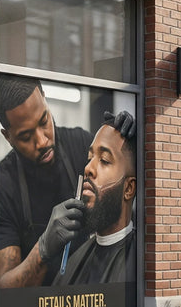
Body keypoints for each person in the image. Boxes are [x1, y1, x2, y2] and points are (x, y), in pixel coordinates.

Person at [0, 75, 135, 287]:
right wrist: (43, 249)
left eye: (44, 121)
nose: (42, 141)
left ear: (44, 98)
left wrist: (134, 140)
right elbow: (4, 287)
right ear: (8, 137)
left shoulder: (80, 144)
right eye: (26, 136)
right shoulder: (4, 185)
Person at [54, 114, 137, 285]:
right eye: (89, 158)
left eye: (104, 161)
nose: (88, 168)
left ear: (128, 189)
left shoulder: (143, 262)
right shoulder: (72, 263)